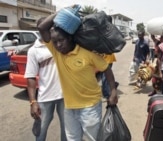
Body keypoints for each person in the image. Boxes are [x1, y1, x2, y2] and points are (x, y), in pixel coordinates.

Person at [37, 13, 118, 141]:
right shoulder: (57, 53)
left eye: (61, 41)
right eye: (55, 42)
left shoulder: (87, 54)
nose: (58, 45)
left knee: (92, 138)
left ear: (69, 38)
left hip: (90, 106)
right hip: (69, 107)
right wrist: (60, 13)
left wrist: (113, 91)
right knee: (72, 139)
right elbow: (42, 28)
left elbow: (106, 69)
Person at [25, 17, 66, 141]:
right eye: (47, 27)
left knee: (67, 129)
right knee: (41, 131)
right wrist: (33, 102)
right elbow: (30, 77)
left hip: (65, 95)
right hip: (45, 97)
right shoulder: (33, 50)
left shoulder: (61, 43)